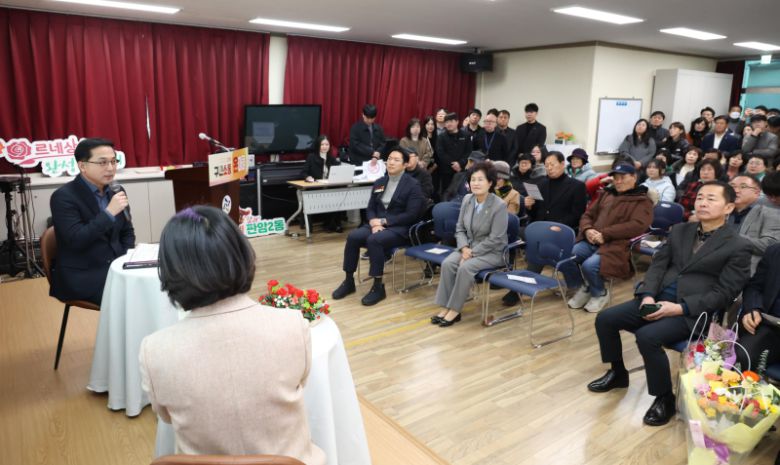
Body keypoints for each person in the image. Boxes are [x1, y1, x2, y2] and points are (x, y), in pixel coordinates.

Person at [138, 206, 326, 465]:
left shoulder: (154, 350)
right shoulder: (292, 324)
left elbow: (167, 417)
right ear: (242, 254)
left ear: (171, 272)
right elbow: (299, 384)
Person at [588, 181, 751, 426]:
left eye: (711, 199)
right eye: (700, 197)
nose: (703, 203)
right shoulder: (680, 230)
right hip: (657, 299)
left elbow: (725, 293)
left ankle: (663, 397)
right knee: (605, 319)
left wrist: (680, 308)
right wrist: (647, 295)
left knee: (647, 336)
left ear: (728, 207)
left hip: (694, 312)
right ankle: (618, 373)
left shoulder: (738, 245)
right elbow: (658, 266)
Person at [332, 149, 425, 306]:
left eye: (396, 160)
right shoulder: (380, 182)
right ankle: (349, 281)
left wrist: (383, 222)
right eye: (389, 158)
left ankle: (378, 287)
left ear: (405, 165)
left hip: (399, 228)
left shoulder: (413, 185)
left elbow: (411, 214)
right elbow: (370, 208)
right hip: (376, 224)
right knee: (353, 237)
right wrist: (374, 222)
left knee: (374, 240)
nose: (391, 162)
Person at [50, 138, 135, 305]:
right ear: (82, 166)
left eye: (113, 161)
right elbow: (76, 240)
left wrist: (125, 259)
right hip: (83, 275)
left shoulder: (116, 190)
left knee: (158, 284)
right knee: (134, 297)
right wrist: (109, 213)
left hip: (116, 266)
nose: (110, 168)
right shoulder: (63, 197)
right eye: (102, 162)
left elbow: (127, 231)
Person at [564, 163, 653, 313]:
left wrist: (605, 234)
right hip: (593, 239)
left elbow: (637, 225)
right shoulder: (607, 194)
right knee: (569, 257)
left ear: (634, 177)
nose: (618, 181)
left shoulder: (642, 200)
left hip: (618, 244)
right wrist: (587, 229)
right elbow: (587, 215)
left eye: (622, 177)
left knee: (589, 266)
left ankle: (600, 293)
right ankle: (586, 286)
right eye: (615, 178)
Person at [431, 162, 508, 327]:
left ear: (490, 183)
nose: (476, 183)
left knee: (466, 267)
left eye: (480, 179)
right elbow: (459, 228)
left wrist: (471, 253)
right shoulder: (467, 199)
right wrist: (465, 248)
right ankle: (445, 306)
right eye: (473, 179)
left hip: (493, 252)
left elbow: (496, 238)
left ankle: (455, 310)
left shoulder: (499, 205)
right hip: (469, 247)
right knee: (448, 263)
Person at [737, 243, 780, 371]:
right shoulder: (774, 252)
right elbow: (754, 286)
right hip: (771, 326)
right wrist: (753, 309)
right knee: (744, 354)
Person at [728, 174, 780, 273]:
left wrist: (728, 237)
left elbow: (770, 246)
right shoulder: (719, 211)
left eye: (743, 186)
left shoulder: (771, 212)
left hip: (747, 272)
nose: (736, 190)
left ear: (757, 192)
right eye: (732, 186)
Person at [302, 135, 343, 232]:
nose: (325, 147)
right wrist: (308, 177)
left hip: (329, 188)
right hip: (316, 188)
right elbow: (303, 172)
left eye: (327, 144)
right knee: (331, 198)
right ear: (318, 146)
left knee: (340, 196)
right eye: (322, 144)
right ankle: (330, 225)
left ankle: (333, 224)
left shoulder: (331, 158)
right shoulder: (311, 157)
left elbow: (339, 169)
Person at [435, 112, 471, 199]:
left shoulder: (466, 135)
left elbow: (468, 152)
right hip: (446, 170)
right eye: (446, 122)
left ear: (457, 122)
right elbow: (440, 153)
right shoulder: (441, 137)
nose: (449, 124)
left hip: (461, 170)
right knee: (446, 193)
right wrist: (453, 164)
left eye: (451, 121)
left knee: (462, 192)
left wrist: (460, 163)